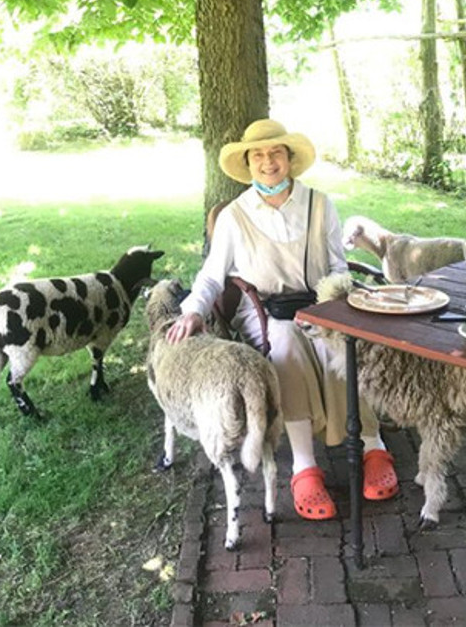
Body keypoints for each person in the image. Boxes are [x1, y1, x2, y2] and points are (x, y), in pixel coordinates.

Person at [168, 118, 398, 520]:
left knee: (343, 347)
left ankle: (373, 444)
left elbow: (337, 265)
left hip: (320, 302)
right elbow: (211, 274)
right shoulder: (234, 216)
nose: (267, 161)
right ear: (248, 163)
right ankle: (305, 467)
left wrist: (340, 302)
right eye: (258, 155)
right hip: (264, 309)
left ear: (289, 159)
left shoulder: (320, 204)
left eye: (276, 153)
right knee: (287, 346)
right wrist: (192, 311)